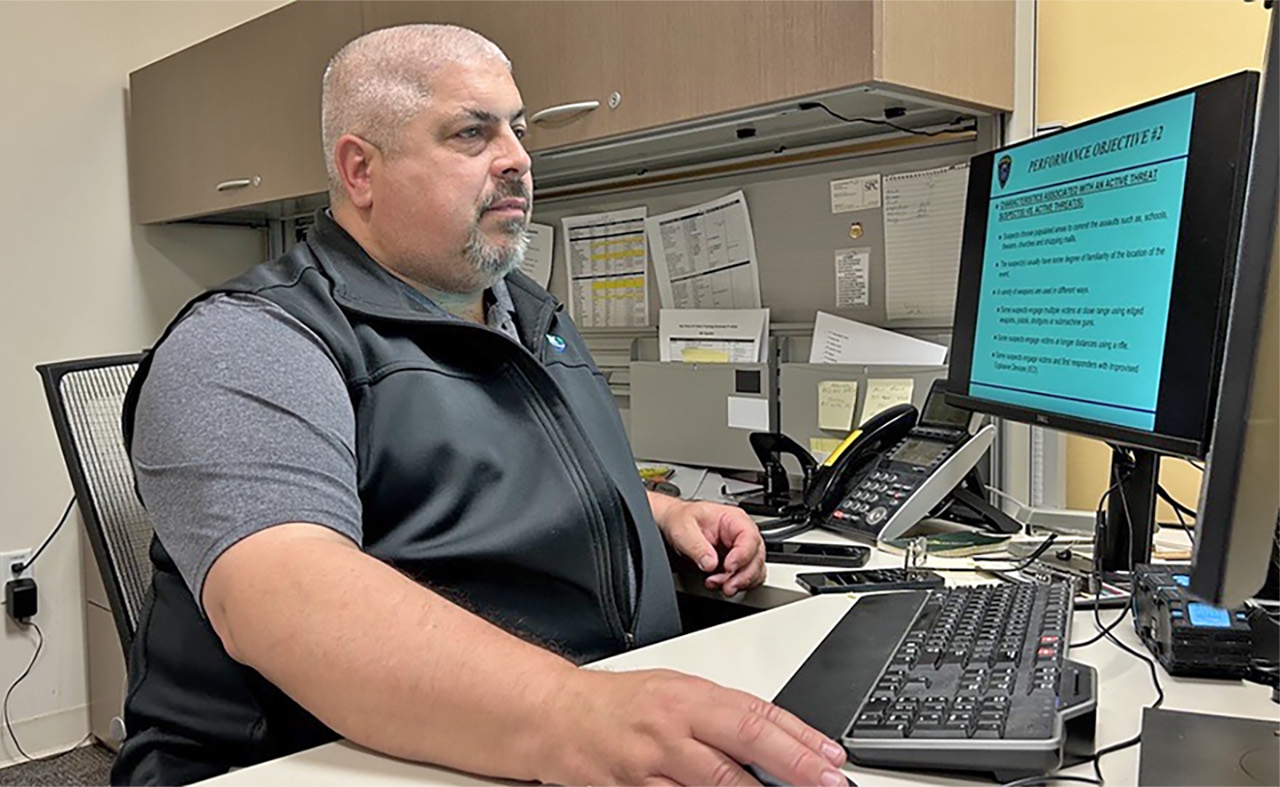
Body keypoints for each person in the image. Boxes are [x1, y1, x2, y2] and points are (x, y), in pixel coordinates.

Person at [113, 23, 849, 787]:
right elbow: (285, 596)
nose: (519, 160)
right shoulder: (250, 340)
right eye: (473, 132)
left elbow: (511, 474)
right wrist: (578, 709)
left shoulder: (525, 314)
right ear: (360, 169)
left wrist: (658, 514)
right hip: (321, 762)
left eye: (520, 130)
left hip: (564, 731)